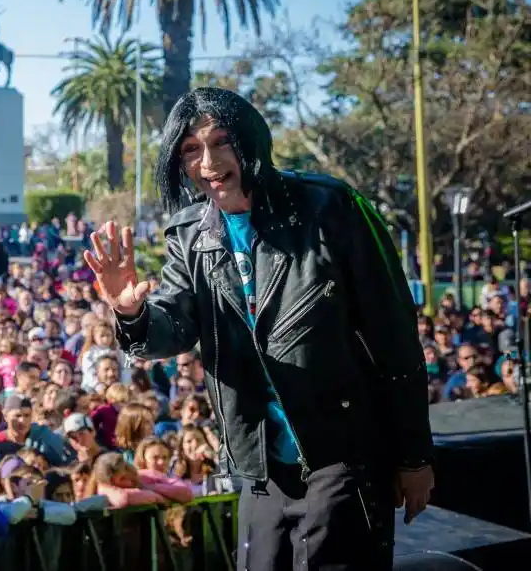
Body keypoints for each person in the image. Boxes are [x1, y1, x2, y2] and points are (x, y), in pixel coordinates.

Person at [84, 87, 433, 571]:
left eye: (222, 141)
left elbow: (395, 339)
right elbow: (174, 326)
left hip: (342, 452)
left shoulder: (332, 208)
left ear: (251, 140)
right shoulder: (190, 235)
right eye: (190, 149)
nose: (209, 161)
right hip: (260, 467)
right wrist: (129, 313)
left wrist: (413, 456)